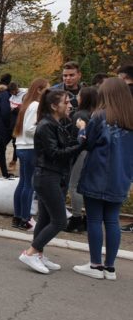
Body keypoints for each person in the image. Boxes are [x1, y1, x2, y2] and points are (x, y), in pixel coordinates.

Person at [73, 78, 133, 279]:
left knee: (95, 219)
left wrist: (82, 128)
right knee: (112, 220)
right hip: (121, 176)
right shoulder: (130, 119)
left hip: (97, 173)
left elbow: (88, 143)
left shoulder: (99, 116)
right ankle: (110, 267)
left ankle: (95, 264)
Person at [18, 89, 83, 274]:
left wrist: (79, 136)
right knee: (60, 221)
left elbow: (65, 146)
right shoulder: (46, 125)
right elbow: (55, 154)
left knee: (45, 219)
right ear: (54, 106)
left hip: (51, 176)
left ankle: (38, 253)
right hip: (47, 176)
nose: (70, 105)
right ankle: (30, 253)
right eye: (66, 102)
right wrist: (81, 146)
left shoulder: (56, 123)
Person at [11, 78, 49, 230]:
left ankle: (18, 217)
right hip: (29, 147)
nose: (49, 92)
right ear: (39, 90)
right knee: (28, 185)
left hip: (22, 146)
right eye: (47, 88)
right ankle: (25, 219)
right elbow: (30, 128)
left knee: (23, 183)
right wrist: (45, 129)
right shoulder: (36, 105)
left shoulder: (28, 104)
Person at [65, 86, 98, 233]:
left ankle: (76, 218)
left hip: (80, 153)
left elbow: (77, 138)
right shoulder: (94, 114)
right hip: (91, 154)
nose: (76, 97)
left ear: (84, 98)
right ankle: (87, 218)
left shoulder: (79, 115)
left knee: (74, 185)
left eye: (79, 95)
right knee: (85, 187)